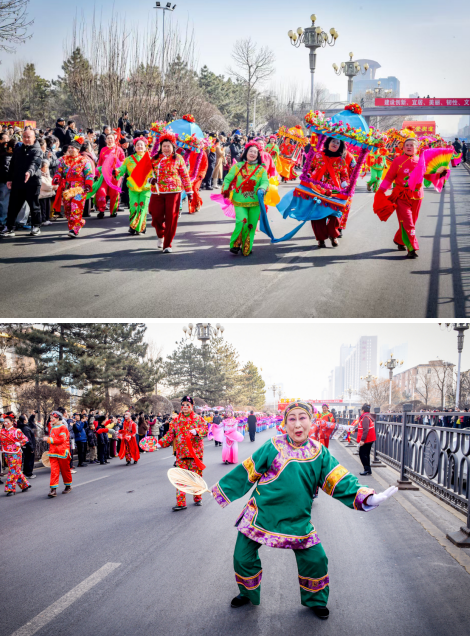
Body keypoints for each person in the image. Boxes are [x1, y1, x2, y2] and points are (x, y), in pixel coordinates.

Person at [210, 401, 397, 618]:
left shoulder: (319, 452)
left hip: (297, 518)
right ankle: (247, 592)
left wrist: (366, 497)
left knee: (316, 559)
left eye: (302, 418)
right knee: (242, 557)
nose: (297, 424)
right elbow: (247, 471)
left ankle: (316, 600)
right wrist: (220, 490)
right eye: (292, 419)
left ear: (311, 421)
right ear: (284, 423)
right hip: (261, 514)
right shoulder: (273, 446)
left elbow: (339, 479)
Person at [375, 137, 439, 259]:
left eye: (411, 145)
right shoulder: (397, 161)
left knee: (411, 222)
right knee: (408, 222)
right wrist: (381, 191)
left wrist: (440, 173)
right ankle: (412, 248)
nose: (409, 147)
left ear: (417, 148)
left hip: (417, 196)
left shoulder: (421, 161)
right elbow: (389, 177)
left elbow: (429, 176)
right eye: (407, 145)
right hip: (401, 196)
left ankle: (399, 240)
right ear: (403, 148)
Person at [156, 396, 208, 510]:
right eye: (183, 405)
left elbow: (205, 430)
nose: (185, 407)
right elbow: (170, 434)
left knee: (196, 477)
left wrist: (197, 431)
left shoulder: (198, 419)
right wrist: (160, 443)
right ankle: (181, 503)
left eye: (187, 405)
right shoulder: (176, 420)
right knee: (180, 478)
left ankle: (198, 497)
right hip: (181, 454)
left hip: (195, 454)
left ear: (191, 406)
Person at [222, 141, 269, 257]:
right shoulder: (237, 166)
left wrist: (262, 188)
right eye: (250, 151)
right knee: (242, 222)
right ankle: (235, 244)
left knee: (251, 225)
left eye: (255, 152)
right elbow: (227, 179)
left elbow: (265, 182)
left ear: (258, 155)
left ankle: (247, 247)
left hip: (255, 202)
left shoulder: (261, 169)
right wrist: (226, 190)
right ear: (246, 153)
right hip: (239, 201)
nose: (252, 154)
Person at [148, 131, 193, 253]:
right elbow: (147, 173)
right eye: (164, 146)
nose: (166, 148)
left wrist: (189, 192)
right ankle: (161, 234)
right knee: (155, 215)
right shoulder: (154, 159)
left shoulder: (178, 158)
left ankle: (167, 244)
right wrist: (150, 179)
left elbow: (185, 175)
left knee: (171, 218)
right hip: (157, 191)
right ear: (160, 147)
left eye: (168, 146)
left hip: (174, 192)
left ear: (173, 147)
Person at [1, 128, 43, 237]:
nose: (26, 139)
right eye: (24, 137)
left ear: (34, 138)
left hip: (32, 182)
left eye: (29, 137)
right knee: (13, 206)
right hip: (18, 182)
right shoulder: (18, 149)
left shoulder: (37, 150)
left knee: (34, 206)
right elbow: (12, 165)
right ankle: (9, 228)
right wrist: (9, 179)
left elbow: (35, 163)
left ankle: (36, 226)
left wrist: (29, 172)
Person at [52, 137, 94, 238]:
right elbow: (58, 171)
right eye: (69, 147)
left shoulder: (84, 161)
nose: (70, 149)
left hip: (79, 189)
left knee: (76, 208)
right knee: (67, 210)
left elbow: (89, 174)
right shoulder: (63, 160)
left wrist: (88, 184)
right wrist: (57, 178)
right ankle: (79, 222)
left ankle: (74, 229)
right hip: (67, 188)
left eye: (73, 148)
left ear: (78, 149)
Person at [116, 136, 152, 234]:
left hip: (146, 187)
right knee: (134, 206)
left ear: (145, 147)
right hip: (133, 187)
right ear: (135, 147)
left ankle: (140, 226)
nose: (140, 146)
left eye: (142, 145)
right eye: (137, 145)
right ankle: (133, 225)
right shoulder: (129, 159)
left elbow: (155, 172)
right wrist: (117, 171)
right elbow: (122, 169)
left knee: (143, 207)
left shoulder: (150, 159)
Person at [42, 411, 73, 497]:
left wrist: (48, 439)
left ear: (58, 418)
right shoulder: (52, 427)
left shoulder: (63, 427)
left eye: (53, 418)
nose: (51, 419)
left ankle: (68, 486)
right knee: (54, 471)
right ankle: (53, 489)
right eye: (51, 418)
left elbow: (61, 440)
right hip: (53, 452)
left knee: (65, 470)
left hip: (62, 452)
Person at [95, 132, 125, 218]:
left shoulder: (119, 149)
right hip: (104, 175)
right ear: (106, 140)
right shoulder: (103, 149)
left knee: (114, 193)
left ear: (114, 139)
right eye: (108, 138)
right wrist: (97, 173)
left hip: (115, 175)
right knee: (101, 191)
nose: (110, 140)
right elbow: (100, 162)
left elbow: (123, 161)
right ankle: (101, 210)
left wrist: (118, 170)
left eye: (111, 138)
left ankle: (113, 211)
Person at [0, 414, 31, 496]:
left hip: (16, 454)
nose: (5, 423)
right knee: (15, 470)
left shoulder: (17, 431)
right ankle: (25, 485)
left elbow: (25, 439)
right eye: (4, 422)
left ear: (12, 422)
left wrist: (19, 443)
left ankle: (10, 489)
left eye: (7, 422)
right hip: (6, 453)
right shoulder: (2, 431)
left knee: (12, 470)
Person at [357, 403, 376, 476]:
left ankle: (367, 469)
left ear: (363, 410)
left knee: (362, 454)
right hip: (369, 439)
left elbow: (365, 429)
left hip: (367, 439)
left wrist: (362, 440)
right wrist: (355, 430)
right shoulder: (367, 416)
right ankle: (368, 470)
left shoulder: (365, 418)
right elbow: (362, 427)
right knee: (366, 454)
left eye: (361, 410)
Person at [17, 414, 36, 479]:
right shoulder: (25, 428)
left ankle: (26, 472)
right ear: (24, 420)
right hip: (28, 446)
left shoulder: (22, 427)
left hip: (25, 446)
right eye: (26, 418)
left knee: (26, 459)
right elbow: (28, 439)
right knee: (29, 460)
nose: (27, 419)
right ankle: (28, 473)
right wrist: (31, 448)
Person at [38, 160, 57, 226]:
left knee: (47, 208)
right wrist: (53, 187)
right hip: (42, 195)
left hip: (48, 194)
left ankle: (47, 219)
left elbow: (52, 182)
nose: (47, 169)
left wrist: (55, 186)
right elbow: (44, 185)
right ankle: (43, 220)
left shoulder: (46, 174)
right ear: (41, 168)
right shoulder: (39, 174)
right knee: (43, 208)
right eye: (45, 167)